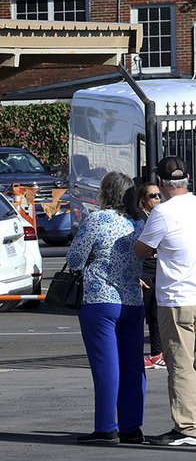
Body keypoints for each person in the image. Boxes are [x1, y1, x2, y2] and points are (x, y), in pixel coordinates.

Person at [67, 172, 145, 445]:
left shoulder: (97, 219)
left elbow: (75, 259)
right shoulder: (139, 221)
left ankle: (105, 427)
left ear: (106, 193)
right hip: (133, 300)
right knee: (133, 366)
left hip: (100, 299)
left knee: (106, 366)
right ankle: (132, 426)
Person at [135, 156, 196, 447]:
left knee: (181, 363)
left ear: (160, 183)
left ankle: (187, 427)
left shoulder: (162, 213)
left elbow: (142, 250)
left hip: (177, 297)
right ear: (187, 179)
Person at [136, 181, 164, 369]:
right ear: (143, 200)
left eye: (158, 195)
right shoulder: (139, 219)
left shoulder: (162, 216)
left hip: (159, 270)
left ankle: (157, 354)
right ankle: (138, 353)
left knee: (156, 314)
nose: (157, 199)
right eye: (152, 196)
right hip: (144, 270)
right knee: (142, 314)